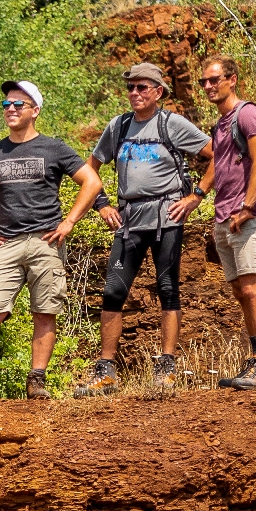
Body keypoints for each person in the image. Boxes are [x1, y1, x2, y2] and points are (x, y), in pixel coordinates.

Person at [0, 80, 101, 401]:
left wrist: (69, 222)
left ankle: (36, 382)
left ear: (35, 111)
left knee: (44, 311)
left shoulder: (54, 148)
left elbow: (91, 181)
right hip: (8, 243)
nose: (11, 109)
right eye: (6, 105)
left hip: (46, 242)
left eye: (18, 104)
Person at [74, 62, 209, 397]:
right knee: (112, 293)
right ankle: (105, 373)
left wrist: (197, 196)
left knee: (167, 289)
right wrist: (102, 202)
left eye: (142, 87)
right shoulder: (118, 126)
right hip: (129, 218)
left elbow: (218, 154)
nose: (134, 93)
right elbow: (90, 167)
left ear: (158, 91)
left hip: (167, 217)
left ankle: (166, 370)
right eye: (131, 87)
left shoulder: (171, 124)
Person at [197, 57, 256, 389]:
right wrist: (197, 195)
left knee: (251, 287)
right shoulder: (220, 124)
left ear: (232, 79)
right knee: (240, 291)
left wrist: (246, 208)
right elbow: (220, 165)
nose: (208, 86)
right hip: (223, 217)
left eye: (214, 80)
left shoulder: (247, 114)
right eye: (204, 81)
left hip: (244, 217)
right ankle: (254, 363)